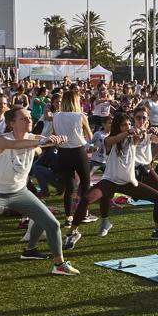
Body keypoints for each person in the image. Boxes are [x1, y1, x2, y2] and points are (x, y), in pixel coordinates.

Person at [0, 107, 79, 291]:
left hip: (20, 192)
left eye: (29, 118)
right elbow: (18, 145)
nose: (29, 120)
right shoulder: (2, 139)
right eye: (24, 118)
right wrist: (43, 142)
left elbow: (39, 146)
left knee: (53, 224)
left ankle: (59, 264)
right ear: (12, 123)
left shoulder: (34, 139)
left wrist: (55, 140)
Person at [65, 112, 158, 249]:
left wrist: (153, 131)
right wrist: (129, 131)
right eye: (124, 125)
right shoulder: (108, 139)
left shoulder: (132, 138)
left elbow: (145, 137)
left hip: (128, 182)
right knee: (86, 198)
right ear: (118, 126)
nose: (128, 126)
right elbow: (115, 139)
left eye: (129, 124)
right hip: (110, 181)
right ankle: (72, 232)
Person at [51, 89, 94, 223]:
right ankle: (84, 212)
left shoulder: (56, 115)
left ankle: (68, 216)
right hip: (78, 152)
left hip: (63, 153)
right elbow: (90, 136)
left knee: (69, 188)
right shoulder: (80, 116)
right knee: (85, 183)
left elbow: (55, 135)